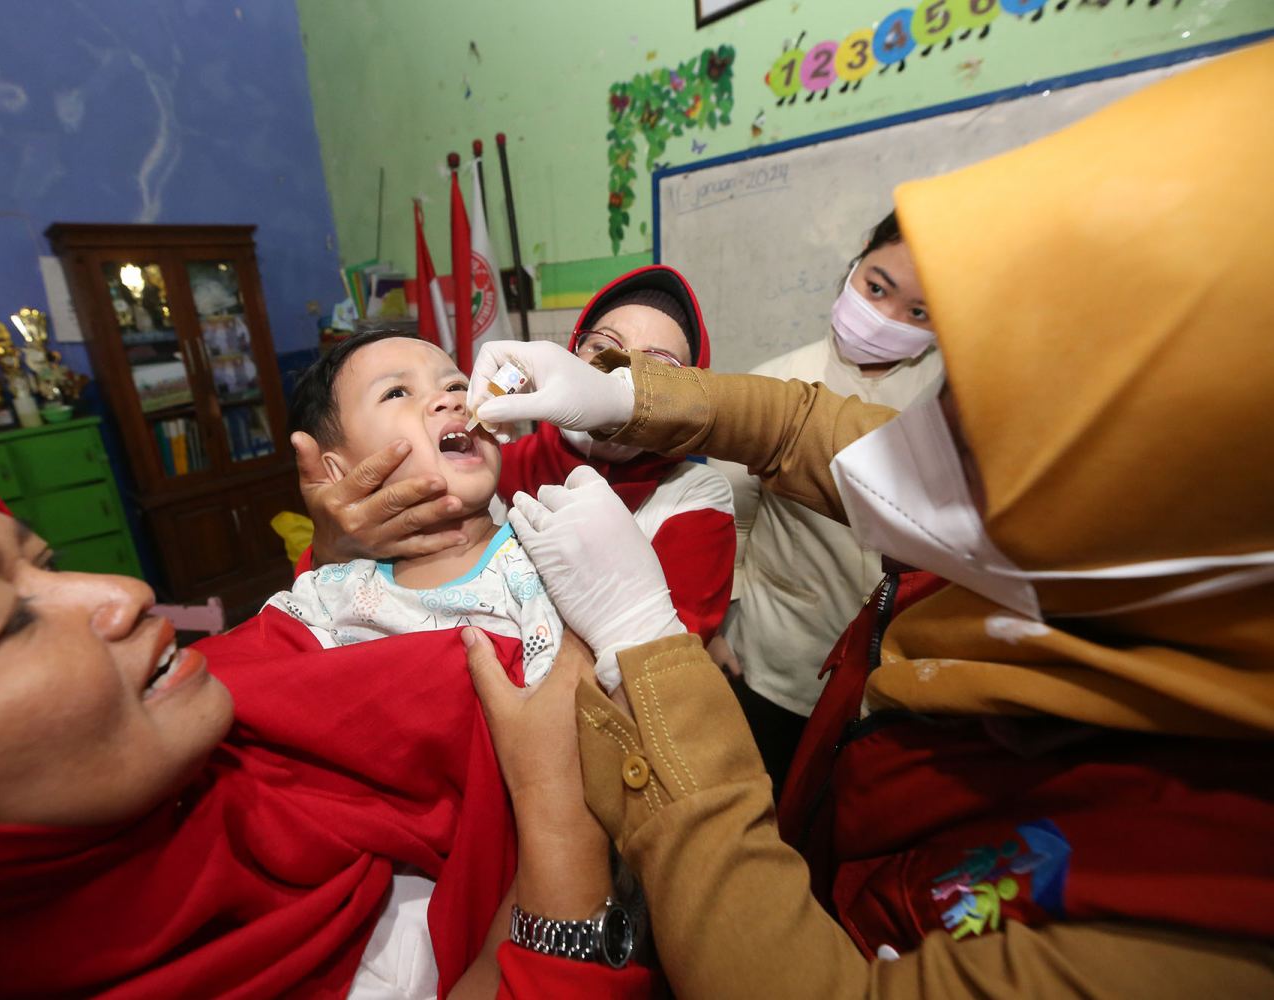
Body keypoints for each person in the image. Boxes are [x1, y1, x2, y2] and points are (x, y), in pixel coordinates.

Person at [466, 40, 1274, 997]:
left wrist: (645, 640)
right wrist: (619, 399)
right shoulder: (1102, 560)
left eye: (1003, 425)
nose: (930, 439)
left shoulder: (1193, 915)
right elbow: (809, 423)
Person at [0, 407, 652, 997]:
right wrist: (559, 828)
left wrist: (356, 557)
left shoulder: (207, 708)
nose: (121, 591)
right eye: (9, 622)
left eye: (41, 562)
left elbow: (309, 649)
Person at [293, 265, 734, 646]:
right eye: (602, 347)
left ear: (688, 399)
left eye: (658, 369)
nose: (621, 373)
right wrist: (332, 548)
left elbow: (670, 670)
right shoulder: (499, 466)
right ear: (570, 355)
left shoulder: (692, 497)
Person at [707, 210, 943, 793]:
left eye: (918, 312)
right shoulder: (774, 385)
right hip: (776, 658)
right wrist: (712, 628)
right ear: (860, 256)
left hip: (899, 675)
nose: (885, 319)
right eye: (877, 288)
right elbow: (724, 523)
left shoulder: (949, 397)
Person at [273, 330, 562, 683]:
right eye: (396, 392)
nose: (449, 400)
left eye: (457, 386)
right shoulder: (330, 592)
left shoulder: (545, 560)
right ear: (337, 471)